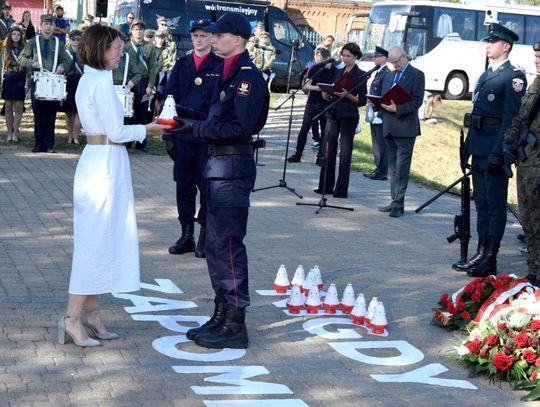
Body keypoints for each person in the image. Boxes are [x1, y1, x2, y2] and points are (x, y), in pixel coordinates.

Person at [59, 24, 168, 348]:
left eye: (120, 46)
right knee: (94, 243)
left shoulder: (91, 80)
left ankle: (92, 312)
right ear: (99, 50)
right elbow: (117, 132)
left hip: (101, 160)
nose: (121, 52)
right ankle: (72, 318)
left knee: (100, 239)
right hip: (104, 162)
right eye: (115, 47)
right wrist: (148, 129)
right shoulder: (99, 84)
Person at [170, 12, 269, 349]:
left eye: (219, 35)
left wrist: (195, 129)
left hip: (232, 166)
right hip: (218, 166)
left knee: (226, 244)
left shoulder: (247, 78)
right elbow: (217, 117)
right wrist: (181, 119)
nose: (212, 39)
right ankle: (221, 313)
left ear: (237, 39)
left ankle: (235, 323)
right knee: (214, 243)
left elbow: (240, 127)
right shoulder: (228, 73)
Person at [458, 23, 526, 278]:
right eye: (488, 41)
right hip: (479, 146)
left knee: (496, 207)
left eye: (492, 41)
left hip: (494, 150)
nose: (487, 45)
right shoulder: (487, 74)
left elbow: (510, 119)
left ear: (505, 46)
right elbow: (477, 114)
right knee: (482, 204)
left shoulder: (513, 77)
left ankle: (490, 258)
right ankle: (480, 253)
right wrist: (468, 146)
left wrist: (501, 151)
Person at [164, 19, 222, 259]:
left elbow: (219, 104)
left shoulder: (220, 66)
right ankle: (186, 234)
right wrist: (168, 133)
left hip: (206, 136)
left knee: (207, 188)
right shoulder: (182, 64)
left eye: (203, 35)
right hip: (183, 136)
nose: (198, 39)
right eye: (195, 35)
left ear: (211, 38)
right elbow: (169, 99)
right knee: (184, 187)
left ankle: (204, 236)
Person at [504, 40, 540, 285]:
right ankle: (534, 270)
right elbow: (521, 117)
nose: (537, 60)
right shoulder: (536, 83)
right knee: (527, 219)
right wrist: (507, 143)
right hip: (526, 161)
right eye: (536, 56)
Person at [377, 46, 425, 217]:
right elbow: (384, 96)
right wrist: (376, 103)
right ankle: (394, 199)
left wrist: (398, 108)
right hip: (389, 126)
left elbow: (417, 101)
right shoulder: (389, 74)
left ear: (404, 57)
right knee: (392, 168)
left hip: (405, 128)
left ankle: (399, 202)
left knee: (402, 167)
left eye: (396, 61)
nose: (393, 65)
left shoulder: (417, 75)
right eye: (391, 61)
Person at [315, 42, 367, 199]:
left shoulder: (360, 74)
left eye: (348, 56)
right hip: (334, 111)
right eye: (343, 55)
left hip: (348, 115)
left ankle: (341, 190)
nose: (344, 58)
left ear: (356, 56)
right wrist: (327, 94)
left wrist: (348, 95)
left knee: (345, 153)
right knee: (328, 149)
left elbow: (362, 100)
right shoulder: (339, 72)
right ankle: (325, 186)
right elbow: (333, 88)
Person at [18, 13, 69, 153]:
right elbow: (21, 58)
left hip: (53, 83)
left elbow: (67, 61)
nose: (48, 26)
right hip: (37, 81)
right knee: (38, 114)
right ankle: (38, 143)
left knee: (51, 115)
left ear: (54, 26)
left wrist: (62, 66)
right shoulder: (33, 42)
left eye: (51, 24)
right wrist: (31, 63)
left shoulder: (59, 43)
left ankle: (50, 144)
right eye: (45, 24)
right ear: (41, 25)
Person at [287, 47, 336, 163]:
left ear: (328, 58)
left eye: (321, 60)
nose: (318, 62)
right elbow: (305, 86)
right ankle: (298, 154)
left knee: (325, 131)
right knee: (304, 128)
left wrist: (328, 91)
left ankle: (320, 157)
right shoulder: (315, 68)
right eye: (317, 59)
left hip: (326, 104)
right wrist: (318, 88)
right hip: (312, 102)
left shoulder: (335, 70)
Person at [125, 19, 158, 152]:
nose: (138, 31)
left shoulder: (149, 47)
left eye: (141, 29)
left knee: (141, 113)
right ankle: (127, 141)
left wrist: (150, 85)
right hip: (129, 83)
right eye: (136, 29)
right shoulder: (126, 47)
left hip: (143, 82)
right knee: (128, 113)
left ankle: (141, 143)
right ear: (131, 31)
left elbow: (153, 68)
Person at [364, 46, 389, 181]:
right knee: (376, 142)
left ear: (384, 58)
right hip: (374, 110)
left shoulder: (386, 72)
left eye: (377, 56)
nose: (374, 58)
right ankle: (378, 167)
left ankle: (382, 170)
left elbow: (384, 93)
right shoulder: (379, 72)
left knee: (380, 143)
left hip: (380, 112)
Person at [2, 26, 26, 143]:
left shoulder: (25, 48)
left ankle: (15, 132)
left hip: (20, 77)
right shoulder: (5, 49)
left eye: (18, 34)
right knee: (8, 106)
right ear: (10, 36)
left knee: (18, 106)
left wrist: (27, 82)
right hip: (9, 77)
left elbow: (28, 67)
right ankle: (9, 133)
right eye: (14, 34)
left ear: (21, 36)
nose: (16, 36)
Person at [62, 30, 83, 144]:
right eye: (73, 39)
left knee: (78, 111)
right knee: (69, 111)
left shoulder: (85, 53)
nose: (75, 42)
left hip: (80, 82)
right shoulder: (65, 52)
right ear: (70, 40)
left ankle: (76, 135)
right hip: (68, 81)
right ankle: (70, 135)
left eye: (78, 39)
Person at [0, 3, 14, 74]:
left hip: (11, 47)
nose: (7, 11)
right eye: (5, 9)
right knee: (1, 65)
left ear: (10, 10)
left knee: (9, 65)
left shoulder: (14, 22)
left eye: (8, 9)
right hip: (1, 47)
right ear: (3, 11)